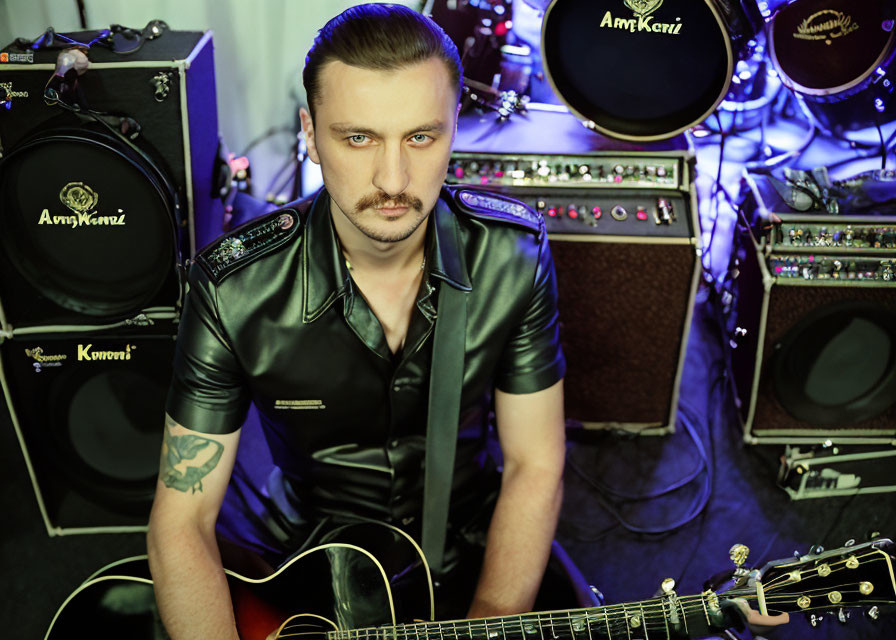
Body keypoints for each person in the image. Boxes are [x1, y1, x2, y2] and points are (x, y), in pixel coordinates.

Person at [146, 4, 567, 638]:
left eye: (421, 137)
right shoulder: (232, 287)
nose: (393, 180)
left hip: (472, 533)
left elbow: (536, 463)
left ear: (455, 126)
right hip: (306, 549)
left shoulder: (515, 258)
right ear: (311, 134)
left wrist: (492, 617)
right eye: (358, 137)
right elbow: (181, 521)